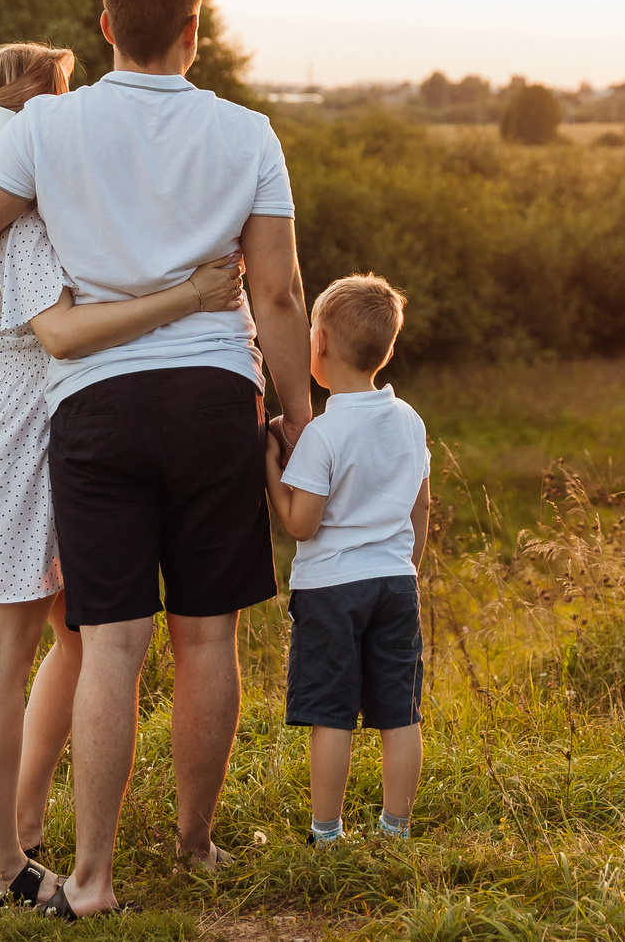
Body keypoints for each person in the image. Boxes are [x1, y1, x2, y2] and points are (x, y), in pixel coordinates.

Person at [0, 0, 316, 920]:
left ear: (104, 29)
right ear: (194, 30)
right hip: (217, 396)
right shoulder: (249, 131)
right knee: (207, 637)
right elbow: (280, 288)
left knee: (112, 639)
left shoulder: (48, 127)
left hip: (94, 408)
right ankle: (195, 843)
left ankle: (89, 876)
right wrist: (299, 415)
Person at [261, 274, 430, 846]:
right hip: (395, 584)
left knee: (331, 712)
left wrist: (269, 467)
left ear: (322, 343)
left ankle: (327, 832)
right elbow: (419, 505)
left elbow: (300, 523)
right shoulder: (409, 420)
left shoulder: (325, 434)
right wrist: (407, 563)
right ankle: (396, 827)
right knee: (399, 711)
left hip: (333, 589)